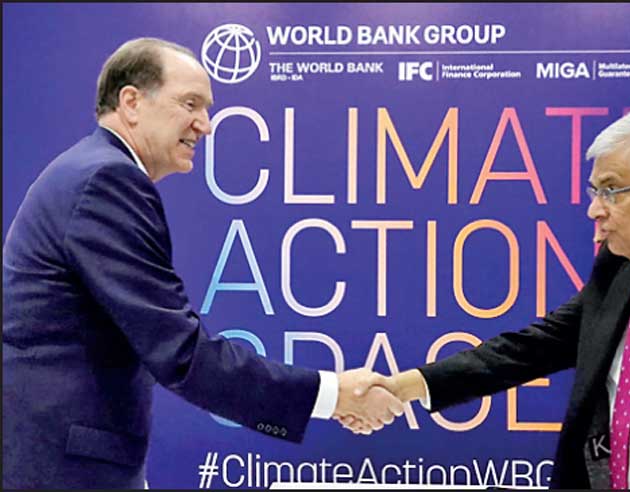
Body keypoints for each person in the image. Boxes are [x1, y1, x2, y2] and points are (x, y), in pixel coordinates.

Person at [2, 38, 402, 489]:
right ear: (131, 102)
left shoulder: (89, 170)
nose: (206, 125)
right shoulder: (107, 180)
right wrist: (331, 395)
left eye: (207, 109)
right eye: (190, 103)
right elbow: (181, 353)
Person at [345, 106, 630, 489]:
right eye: (595, 191)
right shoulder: (621, 264)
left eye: (612, 191)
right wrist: (403, 386)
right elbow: (532, 348)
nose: (594, 210)